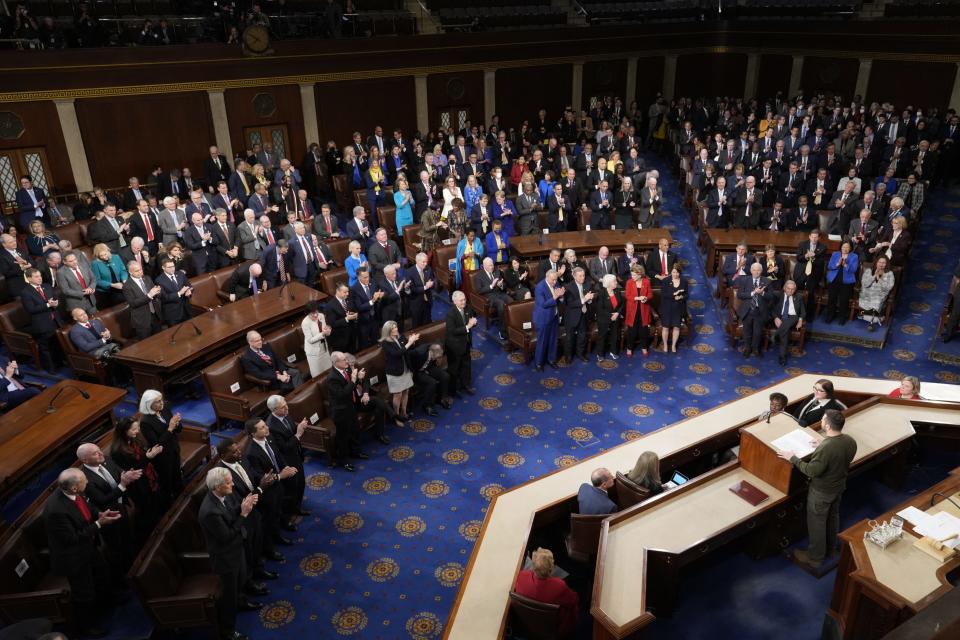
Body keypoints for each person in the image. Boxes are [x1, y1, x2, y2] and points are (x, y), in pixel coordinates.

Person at [43, 468, 121, 638]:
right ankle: (87, 627)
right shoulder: (55, 510)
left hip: (88, 547)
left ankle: (107, 604)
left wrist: (99, 514)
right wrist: (100, 524)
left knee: (102, 574)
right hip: (73, 557)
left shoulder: (73, 492)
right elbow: (71, 538)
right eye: (84, 480)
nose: (88, 482)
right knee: (84, 594)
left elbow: (86, 507)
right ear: (74, 489)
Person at [777, 410, 857, 570]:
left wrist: (791, 457)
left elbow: (811, 471)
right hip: (838, 487)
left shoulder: (827, 447)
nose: (821, 420)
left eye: (822, 419)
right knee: (833, 517)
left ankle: (815, 557)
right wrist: (822, 445)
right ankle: (831, 549)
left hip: (822, 492)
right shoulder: (849, 440)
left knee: (817, 523)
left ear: (827, 425)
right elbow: (842, 456)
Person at [198, 467, 261, 640]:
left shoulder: (225, 494)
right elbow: (226, 536)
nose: (232, 483)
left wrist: (244, 504)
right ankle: (228, 632)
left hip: (236, 548)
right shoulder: (210, 511)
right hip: (225, 558)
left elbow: (233, 512)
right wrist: (244, 513)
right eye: (228, 482)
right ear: (217, 487)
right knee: (228, 597)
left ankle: (241, 604)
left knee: (241, 581)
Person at [109, 416, 165, 544]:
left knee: (156, 504)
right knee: (147, 511)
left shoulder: (135, 440)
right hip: (138, 486)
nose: (137, 431)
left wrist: (151, 453)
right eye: (134, 429)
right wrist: (148, 457)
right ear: (124, 431)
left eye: (137, 428)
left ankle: (159, 530)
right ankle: (150, 540)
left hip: (149, 478)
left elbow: (144, 454)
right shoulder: (117, 451)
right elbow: (133, 471)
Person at [513, 547, 579, 638]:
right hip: (553, 626)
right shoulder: (559, 586)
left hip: (527, 622)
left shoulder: (521, 576)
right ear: (551, 570)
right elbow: (574, 599)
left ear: (533, 567)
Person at [265, 395, 310, 521]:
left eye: (286, 405)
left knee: (301, 483)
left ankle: (297, 507)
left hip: (296, 455)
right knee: (292, 488)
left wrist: (299, 427)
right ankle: (290, 514)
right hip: (287, 461)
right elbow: (284, 447)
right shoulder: (271, 426)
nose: (287, 408)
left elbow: (291, 431)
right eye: (283, 407)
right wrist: (298, 434)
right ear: (274, 410)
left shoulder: (285, 415)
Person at [325, 352, 370, 472]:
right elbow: (342, 394)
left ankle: (356, 452)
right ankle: (344, 461)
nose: (346, 361)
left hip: (350, 407)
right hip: (340, 412)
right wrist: (354, 380)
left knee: (355, 430)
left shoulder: (346, 370)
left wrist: (358, 377)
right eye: (344, 360)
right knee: (343, 438)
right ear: (336, 363)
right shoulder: (332, 378)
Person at [138, 389, 184, 503]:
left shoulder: (165, 409)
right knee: (167, 482)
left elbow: (178, 430)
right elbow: (157, 443)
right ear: (149, 404)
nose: (162, 403)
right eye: (158, 401)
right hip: (162, 457)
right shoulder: (145, 422)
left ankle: (182, 502)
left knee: (177, 476)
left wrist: (177, 423)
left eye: (161, 400)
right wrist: (170, 428)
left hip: (174, 449)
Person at [19, 267, 63, 371]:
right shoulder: (26, 292)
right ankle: (51, 368)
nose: (40, 278)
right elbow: (31, 309)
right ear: (29, 279)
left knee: (58, 343)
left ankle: (61, 363)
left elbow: (56, 299)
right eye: (36, 277)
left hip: (56, 321)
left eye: (40, 276)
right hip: (42, 324)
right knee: (47, 348)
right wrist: (48, 305)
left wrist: (56, 304)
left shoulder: (47, 286)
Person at [381, 321, 419, 421]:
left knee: (406, 391)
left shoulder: (400, 336)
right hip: (395, 372)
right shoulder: (385, 342)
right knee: (398, 394)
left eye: (396, 327)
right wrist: (409, 343)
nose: (396, 329)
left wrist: (412, 342)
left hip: (405, 368)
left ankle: (404, 412)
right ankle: (396, 417)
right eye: (393, 328)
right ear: (387, 331)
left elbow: (407, 349)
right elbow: (397, 354)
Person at [736, 263, 772, 359]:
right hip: (747, 310)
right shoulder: (744, 280)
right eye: (754, 270)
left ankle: (755, 349)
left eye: (758, 270)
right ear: (751, 271)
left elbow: (771, 297)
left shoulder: (767, 281)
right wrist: (753, 293)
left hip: (760, 311)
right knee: (747, 332)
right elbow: (739, 295)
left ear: (761, 271)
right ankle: (747, 348)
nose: (756, 272)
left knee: (757, 332)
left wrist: (763, 293)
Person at [445, 291, 476, 397]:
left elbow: (471, 322)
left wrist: (473, 323)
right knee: (455, 368)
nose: (464, 302)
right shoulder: (450, 314)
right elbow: (452, 331)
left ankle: (466, 384)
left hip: (466, 343)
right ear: (455, 302)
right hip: (454, 346)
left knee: (466, 365)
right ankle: (454, 389)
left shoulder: (468, 309)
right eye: (461, 300)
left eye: (464, 299)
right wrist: (468, 326)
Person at [122, 260, 163, 340]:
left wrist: (157, 292)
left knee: (160, 339)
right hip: (142, 320)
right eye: (137, 271)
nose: (140, 272)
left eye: (140, 269)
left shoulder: (147, 278)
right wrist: (149, 295)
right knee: (147, 345)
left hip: (155, 315)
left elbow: (155, 294)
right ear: (130, 272)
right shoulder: (127, 286)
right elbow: (133, 303)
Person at [531, 269, 563, 372]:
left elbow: (560, 297)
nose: (555, 282)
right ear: (547, 277)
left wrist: (561, 297)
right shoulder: (539, 287)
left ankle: (551, 360)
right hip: (543, 319)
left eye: (556, 280)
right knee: (542, 341)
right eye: (553, 280)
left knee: (553, 340)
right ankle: (539, 363)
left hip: (554, 316)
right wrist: (555, 297)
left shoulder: (556, 282)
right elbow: (543, 304)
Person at [823, 240, 859, 325]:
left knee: (844, 300)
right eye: (844, 247)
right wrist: (837, 264)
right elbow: (829, 266)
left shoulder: (854, 256)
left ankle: (841, 318)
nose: (845, 249)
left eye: (847, 247)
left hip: (846, 282)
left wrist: (845, 265)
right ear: (841, 247)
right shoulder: (835, 254)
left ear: (850, 248)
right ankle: (830, 316)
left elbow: (854, 270)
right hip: (834, 279)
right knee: (832, 299)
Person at [409, 343, 450, 416]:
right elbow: (411, 363)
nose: (437, 358)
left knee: (445, 376)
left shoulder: (433, 350)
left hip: (428, 367)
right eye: (437, 357)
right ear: (431, 352)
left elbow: (433, 361)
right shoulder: (420, 354)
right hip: (418, 372)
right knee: (432, 383)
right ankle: (427, 406)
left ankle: (442, 398)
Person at [771, 280, 805, 366]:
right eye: (788, 288)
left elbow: (803, 312)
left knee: (793, 318)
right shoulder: (777, 295)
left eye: (793, 289)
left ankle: (775, 335)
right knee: (785, 333)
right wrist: (776, 318)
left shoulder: (799, 297)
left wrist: (800, 321)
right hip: (781, 318)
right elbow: (771, 309)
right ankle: (782, 357)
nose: (790, 291)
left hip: (793, 317)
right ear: (784, 288)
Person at [857, 256, 895, 332]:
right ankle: (870, 315)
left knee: (877, 300)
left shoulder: (889, 273)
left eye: (884, 263)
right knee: (868, 299)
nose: (881, 264)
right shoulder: (868, 271)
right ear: (876, 263)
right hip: (867, 293)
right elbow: (865, 284)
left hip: (880, 295)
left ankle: (868, 316)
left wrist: (879, 279)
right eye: (880, 262)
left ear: (886, 264)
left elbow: (888, 288)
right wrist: (874, 276)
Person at [624, 264, 653, 357]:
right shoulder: (629, 282)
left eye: (634, 275)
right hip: (632, 310)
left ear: (640, 274)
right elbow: (627, 296)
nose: (632, 277)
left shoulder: (646, 282)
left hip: (644, 310)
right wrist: (637, 298)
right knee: (631, 331)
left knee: (643, 331)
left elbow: (650, 295)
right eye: (632, 275)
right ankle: (629, 348)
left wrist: (646, 298)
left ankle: (644, 347)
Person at [156, 257, 194, 326]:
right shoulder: (159, 280)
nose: (172, 269)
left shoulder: (180, 274)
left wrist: (189, 290)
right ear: (163, 267)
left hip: (186, 309)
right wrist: (179, 293)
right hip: (173, 314)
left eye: (173, 266)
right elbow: (165, 298)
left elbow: (189, 286)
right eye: (169, 267)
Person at [659, 264, 688, 353]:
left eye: (677, 272)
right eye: (673, 272)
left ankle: (673, 345)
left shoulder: (684, 281)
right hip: (667, 307)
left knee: (676, 327)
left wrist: (681, 297)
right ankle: (665, 345)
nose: (675, 274)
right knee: (666, 327)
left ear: (679, 273)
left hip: (678, 308)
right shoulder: (666, 280)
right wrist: (674, 295)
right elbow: (663, 294)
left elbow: (686, 295)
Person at [595, 273, 623, 362]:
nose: (616, 282)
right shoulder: (601, 293)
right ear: (609, 283)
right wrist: (610, 316)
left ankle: (613, 351)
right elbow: (600, 308)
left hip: (615, 317)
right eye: (614, 281)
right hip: (604, 318)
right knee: (602, 336)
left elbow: (622, 305)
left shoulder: (617, 291)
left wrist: (617, 313)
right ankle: (600, 354)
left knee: (614, 335)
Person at [301, 300, 333, 377]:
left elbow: (325, 329)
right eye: (313, 313)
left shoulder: (321, 316)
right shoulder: (305, 323)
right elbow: (310, 340)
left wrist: (328, 331)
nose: (315, 315)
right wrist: (322, 333)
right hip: (314, 352)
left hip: (324, 348)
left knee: (329, 370)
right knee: (318, 374)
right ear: (307, 313)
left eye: (316, 312)